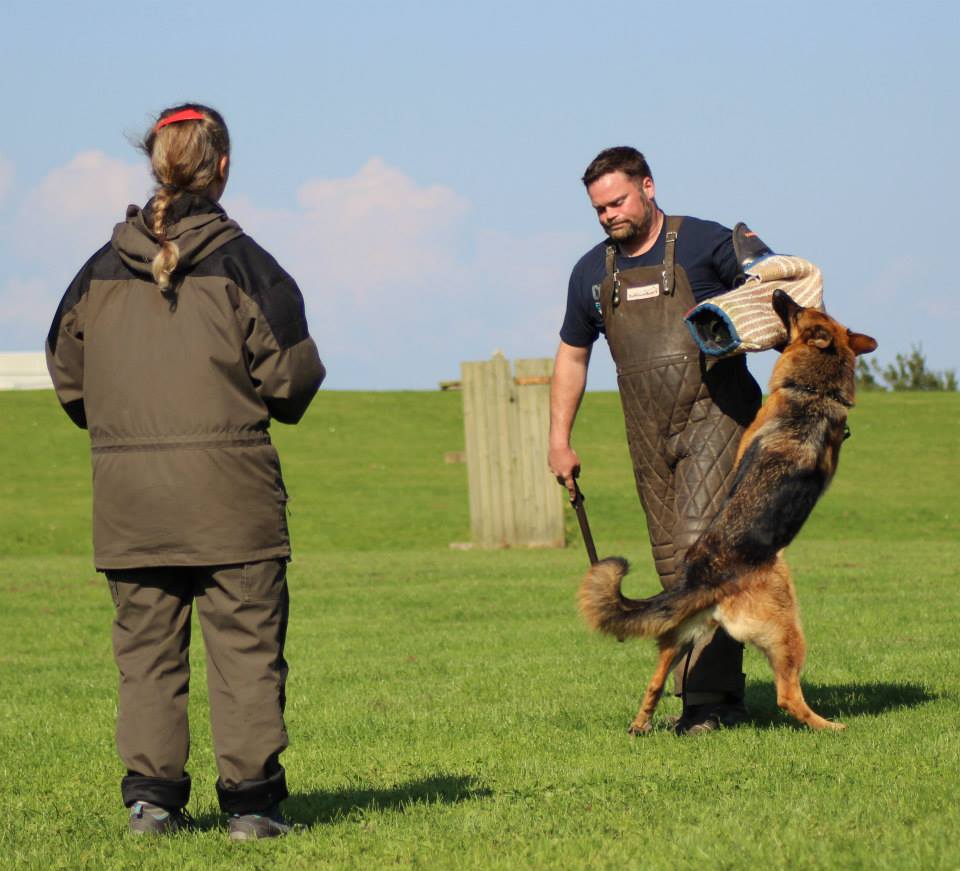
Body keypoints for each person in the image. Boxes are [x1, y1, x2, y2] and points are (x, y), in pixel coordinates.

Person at [45, 104, 326, 837]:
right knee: (246, 656)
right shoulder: (248, 265)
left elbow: (66, 374)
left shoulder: (98, 270)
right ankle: (253, 808)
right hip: (232, 499)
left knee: (145, 659)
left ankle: (152, 804)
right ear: (222, 165)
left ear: (155, 164)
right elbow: (293, 379)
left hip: (129, 501)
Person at [549, 146, 765, 735]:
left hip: (718, 419)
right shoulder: (591, 273)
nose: (608, 216)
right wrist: (558, 440)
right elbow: (573, 356)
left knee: (702, 551)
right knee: (673, 565)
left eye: (617, 201)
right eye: (598, 209)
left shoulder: (704, 243)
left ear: (647, 186)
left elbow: (770, 281)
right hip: (648, 433)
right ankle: (700, 695)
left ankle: (712, 703)